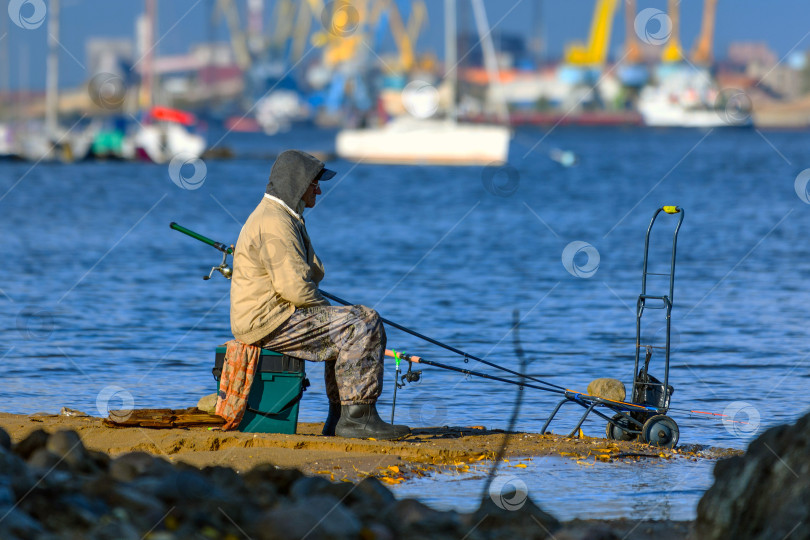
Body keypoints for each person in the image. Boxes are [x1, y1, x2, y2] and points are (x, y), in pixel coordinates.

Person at [229, 150, 409, 440]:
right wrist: (331, 314)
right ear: (297, 184)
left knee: (353, 321)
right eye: (315, 184)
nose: (320, 190)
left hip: (271, 317)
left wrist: (333, 317)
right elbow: (294, 289)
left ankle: (340, 419)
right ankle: (357, 418)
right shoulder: (275, 221)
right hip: (267, 321)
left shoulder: (281, 215)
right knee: (362, 322)